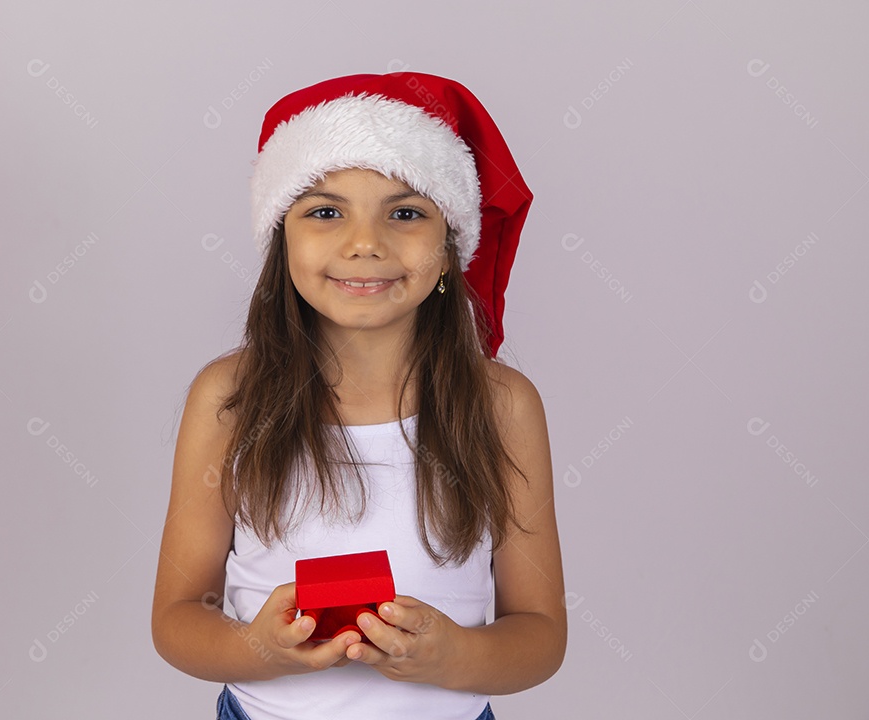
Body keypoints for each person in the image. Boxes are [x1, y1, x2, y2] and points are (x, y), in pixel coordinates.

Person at [152, 71, 566, 720]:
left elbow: (540, 634)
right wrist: (259, 647)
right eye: (325, 211)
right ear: (281, 237)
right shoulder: (227, 398)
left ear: (450, 247)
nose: (365, 243)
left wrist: (455, 655)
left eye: (405, 212)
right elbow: (177, 620)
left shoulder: (502, 405)